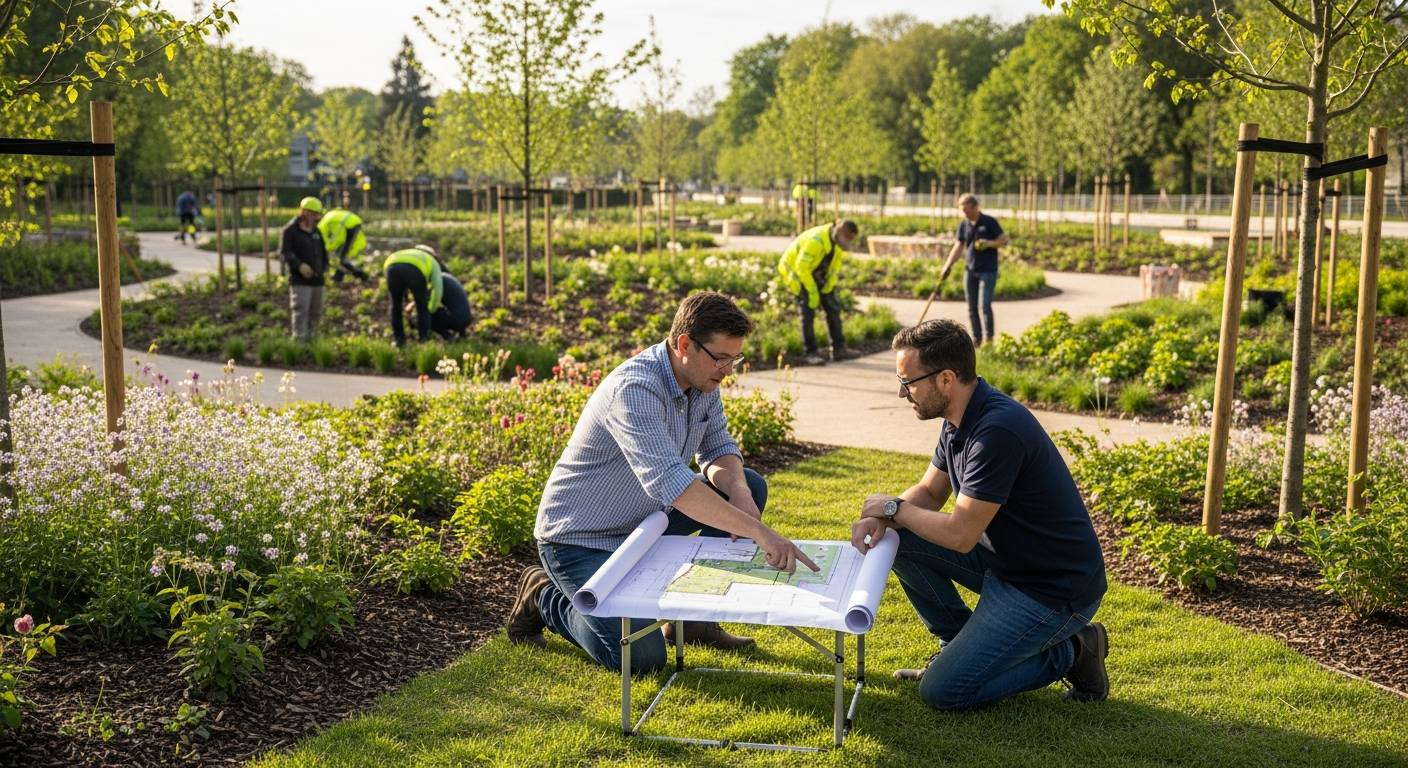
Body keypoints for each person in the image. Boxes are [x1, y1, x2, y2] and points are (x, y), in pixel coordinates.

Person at [507, 291, 820, 671]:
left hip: (646, 519)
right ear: (685, 344)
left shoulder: (702, 380)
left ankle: (693, 623)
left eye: (734, 358)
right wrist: (758, 530)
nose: (728, 370)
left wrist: (738, 493)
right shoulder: (636, 390)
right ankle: (543, 596)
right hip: (580, 540)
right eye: (721, 358)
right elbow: (671, 484)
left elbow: (718, 446)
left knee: (749, 484)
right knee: (641, 657)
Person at [850, 319, 1109, 710]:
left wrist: (892, 508)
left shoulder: (996, 431)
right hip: (1004, 564)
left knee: (943, 692)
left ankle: (1075, 650)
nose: (901, 393)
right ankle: (957, 646)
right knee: (899, 537)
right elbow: (929, 492)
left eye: (909, 382)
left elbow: (960, 535)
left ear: (947, 379)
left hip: (1049, 589)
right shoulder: (960, 416)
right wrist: (885, 520)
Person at [777, 219, 863, 366]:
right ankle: (810, 353)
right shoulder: (816, 240)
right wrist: (812, 291)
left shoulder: (836, 244)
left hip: (817, 274)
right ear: (839, 233)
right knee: (807, 313)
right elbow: (801, 267)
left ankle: (839, 349)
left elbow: (835, 268)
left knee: (833, 308)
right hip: (799, 275)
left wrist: (829, 285)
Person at [938, 194, 1009, 346]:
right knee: (971, 307)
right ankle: (977, 339)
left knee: (985, 305)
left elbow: (1004, 240)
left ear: (975, 208)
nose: (964, 213)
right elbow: (959, 246)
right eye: (961, 210)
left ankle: (989, 339)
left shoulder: (989, 222)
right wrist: (948, 265)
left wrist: (988, 243)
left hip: (988, 271)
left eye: (966, 210)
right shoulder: (964, 225)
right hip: (970, 270)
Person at [280, 197, 328, 343]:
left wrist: (324, 268)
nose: (316, 218)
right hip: (300, 281)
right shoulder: (290, 230)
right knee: (301, 311)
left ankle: (313, 342)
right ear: (305, 212)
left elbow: (323, 252)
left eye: (318, 215)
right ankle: (300, 344)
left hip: (318, 280)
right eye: (314, 214)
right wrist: (299, 265)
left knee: (316, 313)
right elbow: (285, 252)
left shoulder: (316, 231)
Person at [383, 245, 443, 347]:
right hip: (414, 270)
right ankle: (424, 340)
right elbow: (438, 290)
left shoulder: (408, 252)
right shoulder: (432, 261)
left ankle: (399, 341)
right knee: (422, 307)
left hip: (391, 267)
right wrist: (431, 310)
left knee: (396, 305)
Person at [317, 208, 371, 282]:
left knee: (342, 258)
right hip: (353, 222)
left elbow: (335, 238)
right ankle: (339, 275)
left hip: (351, 225)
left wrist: (327, 250)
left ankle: (362, 275)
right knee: (341, 256)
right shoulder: (328, 217)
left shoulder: (324, 224)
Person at [431, 273, 475, 341]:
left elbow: (433, 303)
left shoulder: (438, 282)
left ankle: (449, 337)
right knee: (453, 308)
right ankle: (462, 334)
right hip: (467, 317)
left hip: (457, 319)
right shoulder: (446, 278)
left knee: (429, 316)